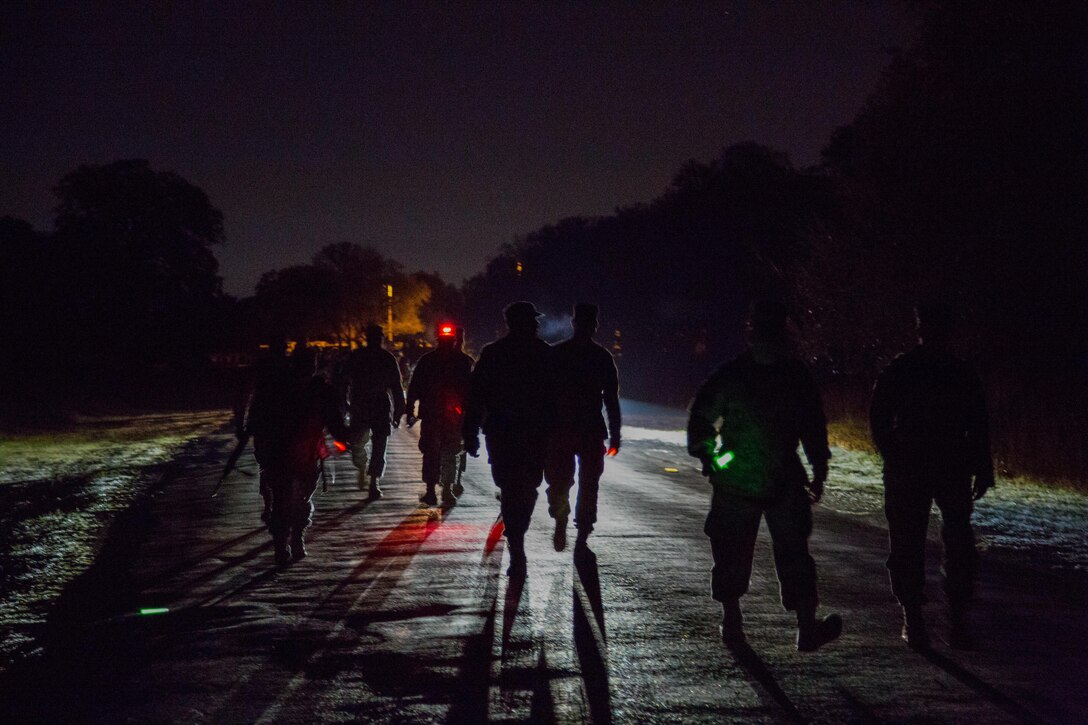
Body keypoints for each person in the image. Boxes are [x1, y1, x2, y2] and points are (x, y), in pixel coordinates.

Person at [687, 299, 842, 651]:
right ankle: (798, 624)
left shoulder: (734, 373)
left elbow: (701, 421)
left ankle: (735, 621)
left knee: (736, 550)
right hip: (776, 477)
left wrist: (712, 458)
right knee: (787, 552)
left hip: (748, 478)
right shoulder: (793, 375)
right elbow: (813, 427)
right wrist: (818, 468)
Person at [870, 303, 994, 650]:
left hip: (930, 466)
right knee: (942, 542)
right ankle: (934, 618)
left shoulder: (913, 369)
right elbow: (978, 423)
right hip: (935, 466)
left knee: (923, 543)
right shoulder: (953, 371)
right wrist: (982, 466)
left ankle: (927, 618)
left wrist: (892, 454)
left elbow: (879, 417)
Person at [463, 301, 553, 576]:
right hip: (532, 433)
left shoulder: (493, 354)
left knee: (512, 486)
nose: (537, 325)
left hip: (503, 432)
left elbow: (475, 396)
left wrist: (471, 432)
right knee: (526, 487)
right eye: (533, 321)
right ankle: (517, 538)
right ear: (523, 323)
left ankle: (516, 540)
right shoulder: (543, 353)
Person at [244, 346, 348, 565]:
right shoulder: (278, 389)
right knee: (287, 500)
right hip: (284, 454)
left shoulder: (316, 390)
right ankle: (284, 543)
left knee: (297, 499)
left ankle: (292, 538)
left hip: (303, 454)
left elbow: (333, 420)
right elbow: (258, 418)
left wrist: (342, 436)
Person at [545, 303, 621, 551]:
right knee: (589, 483)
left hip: (561, 428)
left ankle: (561, 518)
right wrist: (615, 436)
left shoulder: (556, 354)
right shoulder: (602, 358)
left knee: (559, 480)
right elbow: (611, 400)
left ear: (573, 323)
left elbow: (543, 396)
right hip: (589, 429)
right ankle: (582, 529)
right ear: (594, 326)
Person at [406, 322, 474, 506]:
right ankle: (446, 490)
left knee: (432, 453)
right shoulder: (463, 362)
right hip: (451, 416)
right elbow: (471, 390)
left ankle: (433, 491)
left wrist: (410, 408)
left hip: (434, 414)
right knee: (448, 452)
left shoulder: (427, 360)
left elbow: (415, 387)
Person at [232, 334, 292, 523]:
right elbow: (243, 396)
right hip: (277, 425)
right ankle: (273, 505)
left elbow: (242, 397)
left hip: (268, 424)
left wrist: (240, 424)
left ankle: (271, 505)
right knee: (276, 466)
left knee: (268, 466)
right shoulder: (289, 369)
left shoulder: (263, 368)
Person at [342, 325, 406, 499]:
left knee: (380, 446)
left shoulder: (387, 359)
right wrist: (344, 403)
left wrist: (399, 411)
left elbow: (396, 387)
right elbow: (343, 381)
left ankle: (374, 483)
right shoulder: (356, 357)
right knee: (356, 443)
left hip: (379, 405)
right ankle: (362, 465)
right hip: (360, 405)